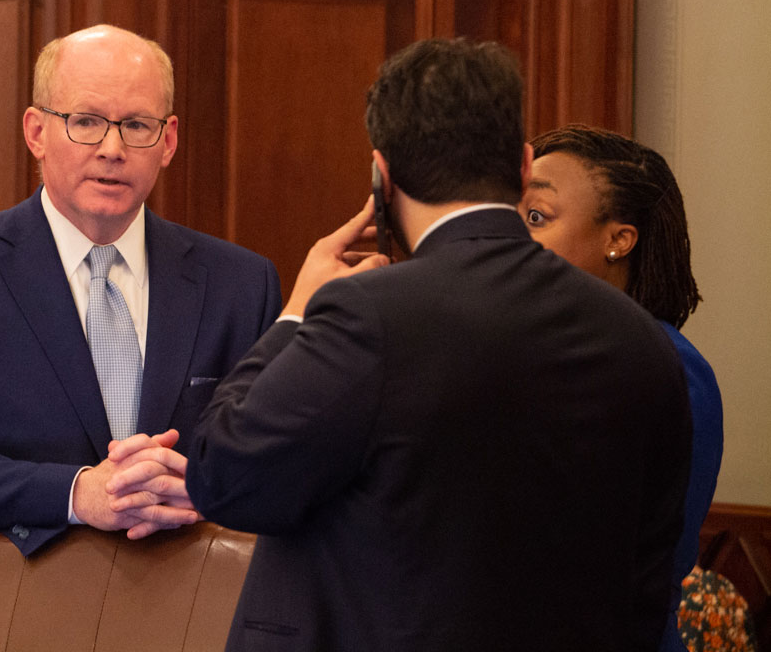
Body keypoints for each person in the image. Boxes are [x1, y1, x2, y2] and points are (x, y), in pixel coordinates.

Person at [173, 37, 692, 650]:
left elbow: (222, 475)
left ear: (381, 175)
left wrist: (294, 315)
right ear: (523, 168)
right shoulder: (640, 340)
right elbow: (648, 576)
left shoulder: (369, 318)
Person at [0, 24, 282, 556]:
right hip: (22, 616)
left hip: (190, 617)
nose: (112, 149)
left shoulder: (240, 284)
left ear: (168, 142)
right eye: (86, 122)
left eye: (137, 125)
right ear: (36, 132)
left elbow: (276, 468)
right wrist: (78, 494)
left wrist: (202, 488)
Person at [520, 124, 724, 652]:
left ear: (618, 240)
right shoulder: (507, 347)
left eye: (536, 217)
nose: (510, 235)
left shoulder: (670, 368)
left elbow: (641, 563)